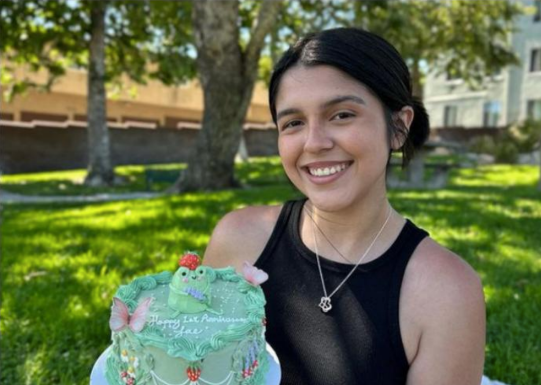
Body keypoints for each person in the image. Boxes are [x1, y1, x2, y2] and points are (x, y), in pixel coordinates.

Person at [204, 27, 485, 385]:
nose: (315, 143)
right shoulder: (238, 239)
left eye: (342, 115)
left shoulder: (447, 292)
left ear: (398, 127)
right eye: (293, 123)